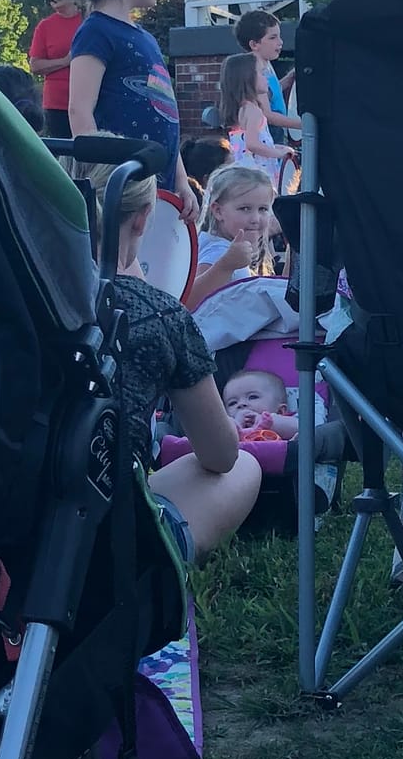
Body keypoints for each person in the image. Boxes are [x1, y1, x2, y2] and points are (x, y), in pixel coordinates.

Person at [108, 175, 261, 560]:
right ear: (145, 219)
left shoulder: (11, 287)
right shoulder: (157, 312)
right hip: (109, 540)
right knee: (243, 466)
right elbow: (221, 455)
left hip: (2, 511)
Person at [39, 0, 189, 195]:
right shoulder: (96, 31)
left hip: (160, 188)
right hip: (124, 188)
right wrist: (102, 178)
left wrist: (181, 181)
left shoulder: (146, 38)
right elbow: (79, 110)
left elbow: (166, 113)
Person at [187, 162, 278, 308]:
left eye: (263, 209)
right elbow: (189, 302)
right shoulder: (220, 252)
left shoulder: (215, 243)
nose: (255, 219)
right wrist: (226, 265)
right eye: (245, 208)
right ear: (218, 211)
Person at [27, 0, 85, 137]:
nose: (54, 2)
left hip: (86, 98)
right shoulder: (45, 26)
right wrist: (65, 61)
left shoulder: (87, 22)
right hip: (56, 103)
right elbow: (35, 66)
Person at [215, 51, 286, 180]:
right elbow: (252, 144)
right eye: (262, 73)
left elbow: (253, 142)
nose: (266, 77)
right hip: (258, 174)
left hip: (246, 173)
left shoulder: (243, 109)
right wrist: (279, 153)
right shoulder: (253, 111)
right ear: (248, 78)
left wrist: (274, 147)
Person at [234, 7, 300, 143]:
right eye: (272, 37)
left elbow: (270, 93)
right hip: (269, 132)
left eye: (279, 36)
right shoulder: (256, 68)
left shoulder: (266, 65)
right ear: (254, 44)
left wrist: (287, 80)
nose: (280, 42)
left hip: (275, 130)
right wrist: (303, 125)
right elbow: (267, 114)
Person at [221, 366, 298, 442]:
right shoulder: (227, 426)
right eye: (232, 403)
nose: (241, 404)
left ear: (280, 411)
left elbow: (304, 429)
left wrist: (267, 421)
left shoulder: (287, 421)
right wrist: (235, 426)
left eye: (252, 397)